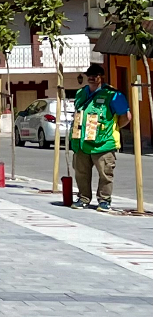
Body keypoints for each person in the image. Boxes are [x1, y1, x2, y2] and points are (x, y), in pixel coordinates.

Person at [68, 64, 130, 213]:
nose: (91, 77)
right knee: (81, 173)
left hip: (103, 143)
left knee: (105, 174)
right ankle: (83, 198)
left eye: (95, 75)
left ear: (101, 77)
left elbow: (126, 117)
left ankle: (104, 201)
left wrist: (112, 129)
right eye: (89, 75)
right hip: (81, 143)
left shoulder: (113, 95)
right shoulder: (80, 93)